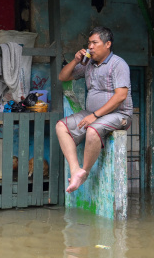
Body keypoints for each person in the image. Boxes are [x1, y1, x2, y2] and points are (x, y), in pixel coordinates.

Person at [56, 26, 133, 193]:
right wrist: (76, 61)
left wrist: (95, 115)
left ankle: (85, 172)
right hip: (92, 113)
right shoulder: (88, 64)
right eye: (89, 43)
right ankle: (76, 169)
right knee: (61, 126)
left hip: (119, 114)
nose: (90, 47)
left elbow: (121, 96)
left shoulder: (118, 64)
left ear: (107, 44)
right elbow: (63, 77)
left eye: (94, 43)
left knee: (92, 130)